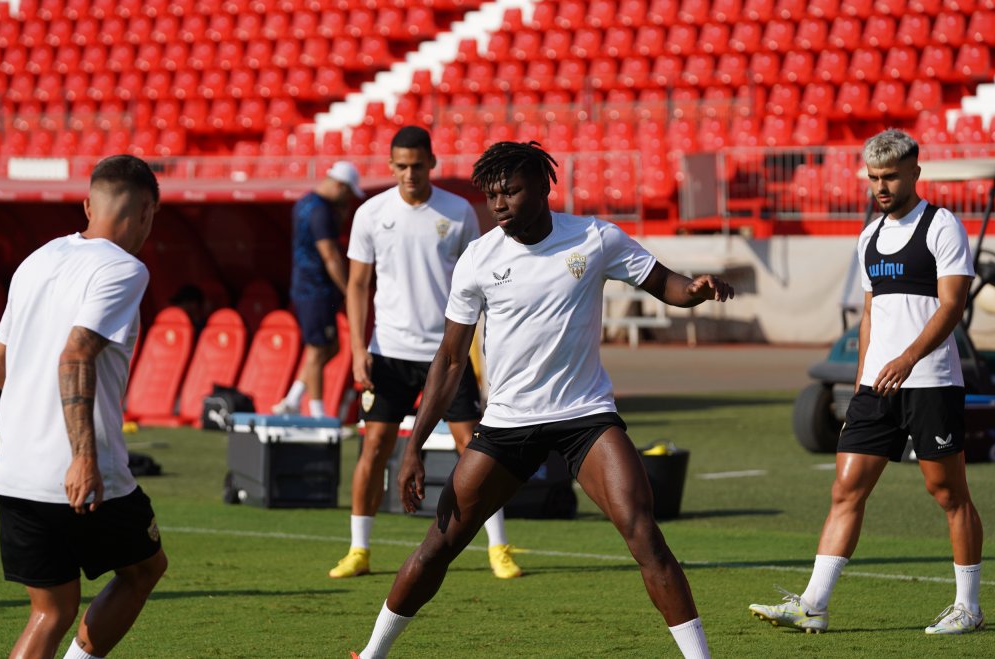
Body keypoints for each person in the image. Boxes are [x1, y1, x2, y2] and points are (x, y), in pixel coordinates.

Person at [352, 141, 733, 659]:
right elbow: (448, 360)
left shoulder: (596, 238)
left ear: (543, 186)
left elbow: (667, 284)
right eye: (491, 195)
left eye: (510, 190)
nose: (500, 203)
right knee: (438, 545)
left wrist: (698, 290)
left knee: (643, 533)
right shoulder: (479, 258)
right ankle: (371, 654)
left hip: (585, 417)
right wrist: (415, 446)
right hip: (507, 425)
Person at [748, 129, 983, 635]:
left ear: (914, 173)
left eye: (890, 176)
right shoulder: (868, 236)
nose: (881, 186)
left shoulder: (943, 226)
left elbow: (952, 306)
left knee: (948, 493)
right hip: (877, 388)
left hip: (931, 382)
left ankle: (968, 607)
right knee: (845, 489)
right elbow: (872, 310)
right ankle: (813, 603)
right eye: (874, 177)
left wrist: (907, 358)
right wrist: (862, 379)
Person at [0, 155, 168, 659]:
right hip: (84, 472)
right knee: (145, 569)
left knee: (49, 612)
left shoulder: (37, 259)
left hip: (15, 470)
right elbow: (77, 352)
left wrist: (33, 422)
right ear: (149, 211)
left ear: (88, 205)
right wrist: (82, 455)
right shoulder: (126, 268)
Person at [332, 125, 521, 581]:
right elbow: (358, 285)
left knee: (475, 447)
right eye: (401, 166)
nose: (410, 173)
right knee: (374, 447)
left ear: (431, 163)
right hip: (388, 354)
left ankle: (498, 546)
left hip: (446, 354)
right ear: (391, 166)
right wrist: (358, 348)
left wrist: (481, 356)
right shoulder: (370, 213)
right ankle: (359, 550)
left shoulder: (457, 213)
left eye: (418, 165)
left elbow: (477, 285)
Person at [274, 161, 364, 417]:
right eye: (347, 192)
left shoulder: (305, 203)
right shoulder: (320, 211)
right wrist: (349, 289)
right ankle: (316, 411)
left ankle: (293, 399)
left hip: (308, 287)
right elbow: (330, 256)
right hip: (316, 289)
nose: (347, 199)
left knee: (329, 347)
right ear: (339, 185)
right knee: (319, 348)